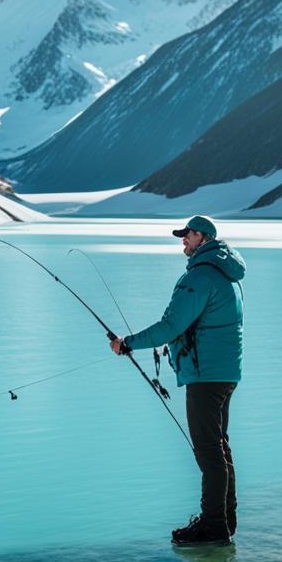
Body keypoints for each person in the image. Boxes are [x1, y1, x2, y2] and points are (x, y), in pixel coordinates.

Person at [110, 215, 245, 545]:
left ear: (202, 237)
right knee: (219, 447)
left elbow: (170, 326)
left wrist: (127, 342)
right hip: (225, 373)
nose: (182, 241)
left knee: (208, 452)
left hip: (205, 376)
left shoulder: (200, 277)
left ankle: (213, 527)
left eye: (187, 235)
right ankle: (225, 518)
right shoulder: (227, 274)